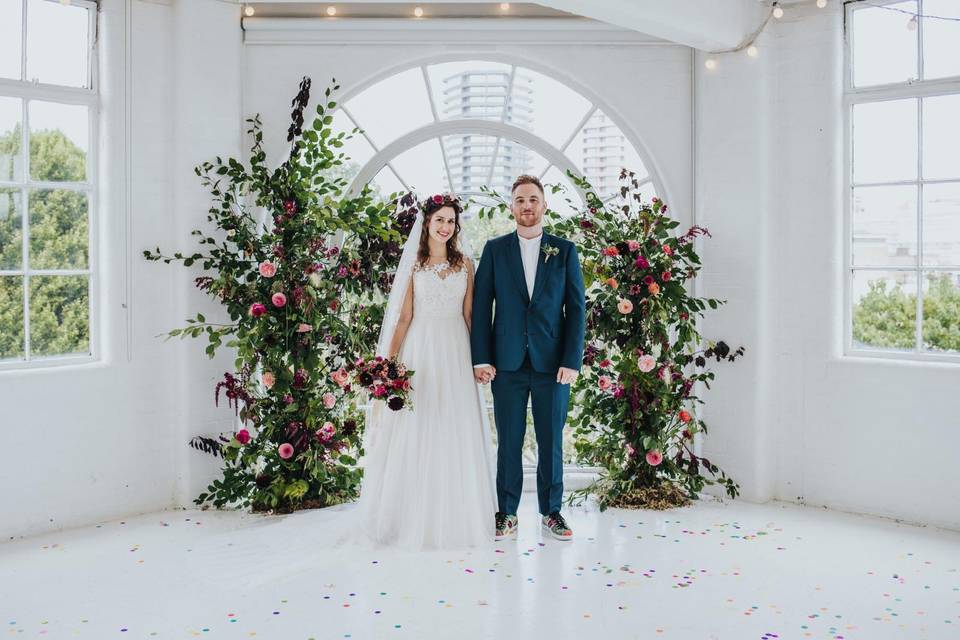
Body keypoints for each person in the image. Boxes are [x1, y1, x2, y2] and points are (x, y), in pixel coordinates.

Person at [353, 192, 497, 550]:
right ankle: (408, 517)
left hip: (456, 348)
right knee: (418, 426)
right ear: (427, 225)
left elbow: (470, 315)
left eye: (451, 221)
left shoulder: (465, 264)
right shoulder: (414, 266)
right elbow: (403, 318)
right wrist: (385, 364)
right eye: (439, 220)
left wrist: (481, 357)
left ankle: (455, 517)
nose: (446, 227)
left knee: (453, 424)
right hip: (420, 350)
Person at [470, 174, 586, 542]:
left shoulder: (564, 250)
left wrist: (572, 360)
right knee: (509, 439)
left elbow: (576, 309)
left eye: (533, 199)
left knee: (551, 440)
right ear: (512, 207)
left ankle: (552, 512)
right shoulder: (494, 249)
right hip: (505, 363)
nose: (527, 206)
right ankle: (506, 512)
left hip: (553, 365)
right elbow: (481, 308)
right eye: (520, 200)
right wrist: (481, 358)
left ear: (544, 205)